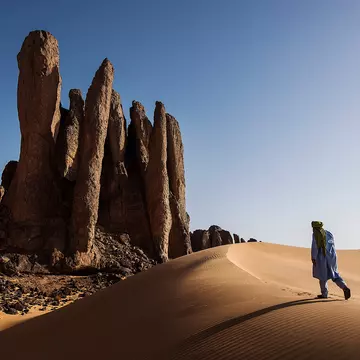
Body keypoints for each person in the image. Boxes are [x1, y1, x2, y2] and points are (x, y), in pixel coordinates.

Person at [311, 221, 351, 300]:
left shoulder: (316, 234)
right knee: (335, 275)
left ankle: (324, 294)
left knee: (322, 276)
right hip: (332, 257)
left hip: (322, 257)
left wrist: (313, 257)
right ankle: (344, 287)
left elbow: (315, 246)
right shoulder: (329, 233)